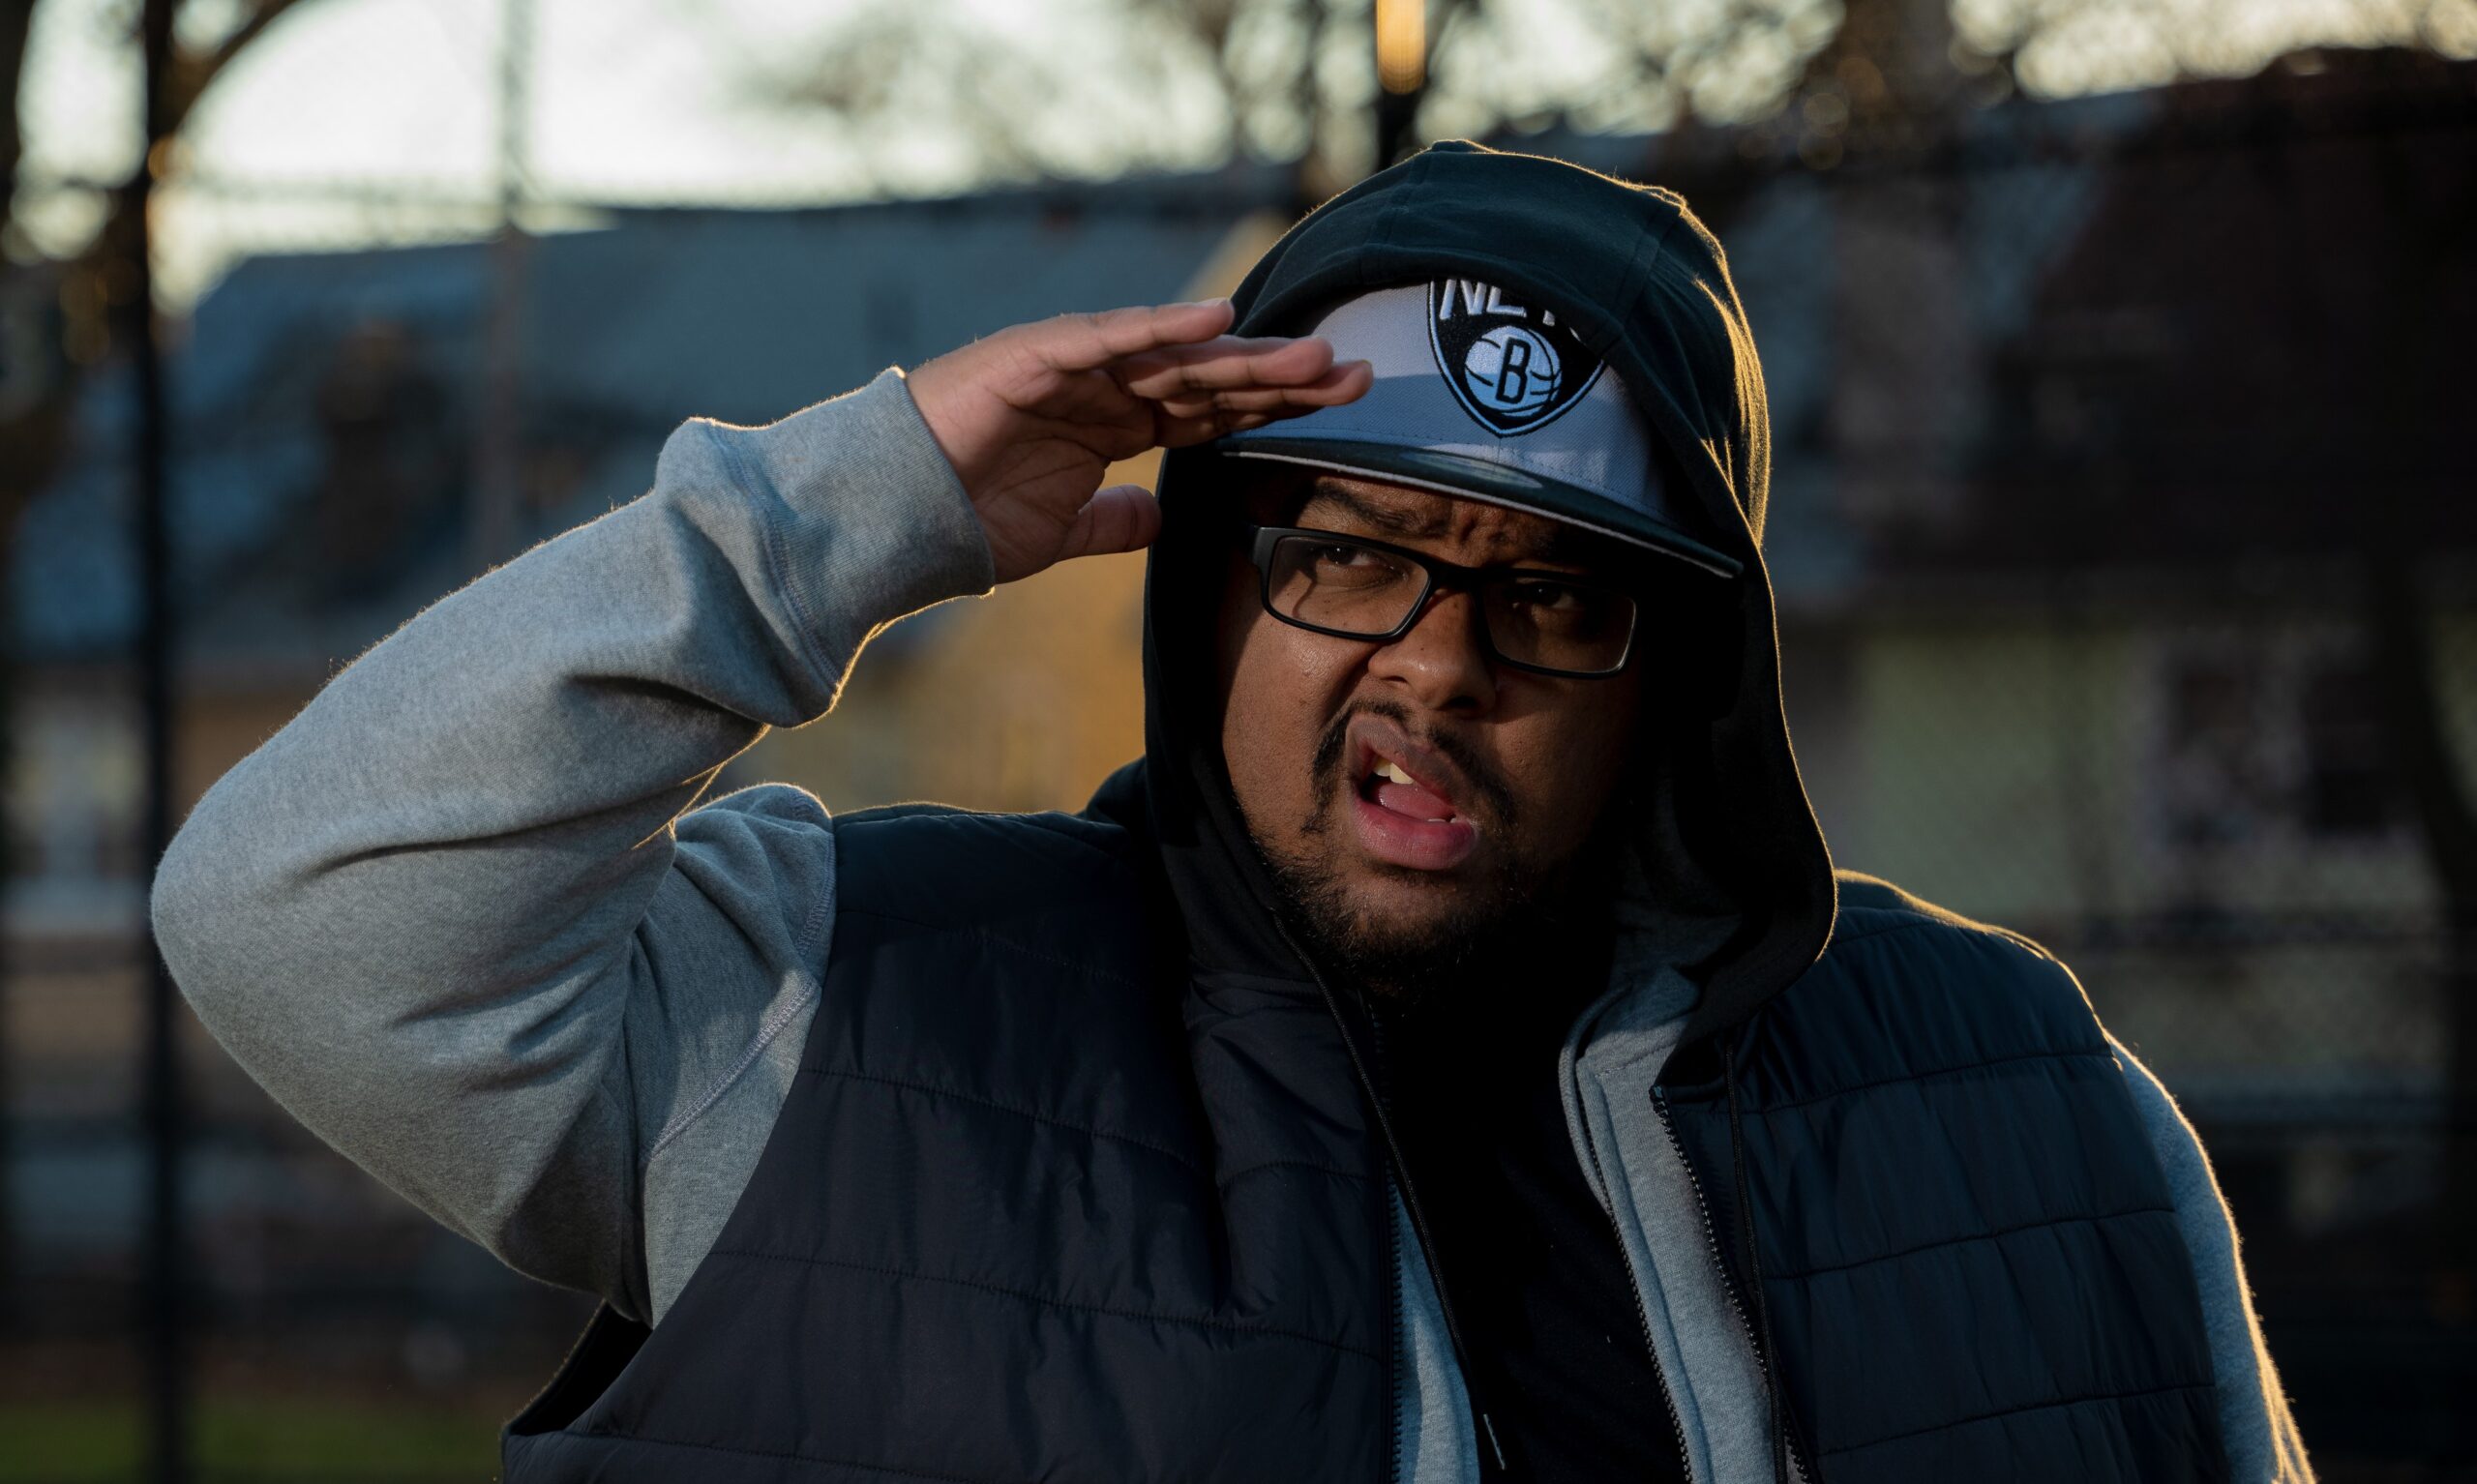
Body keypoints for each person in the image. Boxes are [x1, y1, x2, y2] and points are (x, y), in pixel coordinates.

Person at [152, 141, 2314, 1483]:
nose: (1436, 660)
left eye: (1547, 592)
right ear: (1210, 589)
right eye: (1345, 551)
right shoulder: (847, 1018)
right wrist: (870, 500)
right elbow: (297, 905)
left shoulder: (2024, 1096)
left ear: (1672, 670)